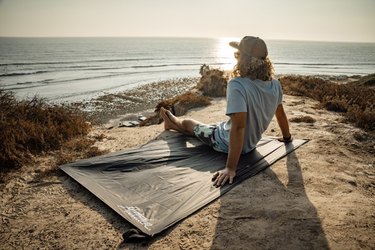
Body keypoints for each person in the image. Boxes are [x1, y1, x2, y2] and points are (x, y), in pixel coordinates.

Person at [160, 36, 292, 187]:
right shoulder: (275, 84)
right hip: (249, 143)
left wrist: (230, 168)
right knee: (213, 127)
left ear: (243, 59)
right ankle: (174, 123)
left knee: (191, 124)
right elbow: (280, 114)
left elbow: (239, 127)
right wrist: (287, 138)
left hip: (225, 142)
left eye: (239, 53)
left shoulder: (237, 84)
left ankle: (173, 121)